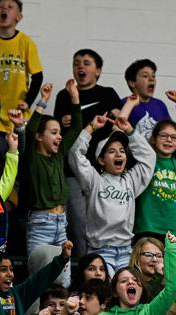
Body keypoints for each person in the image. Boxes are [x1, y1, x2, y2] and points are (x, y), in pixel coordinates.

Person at [68, 111, 156, 275]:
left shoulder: (131, 180)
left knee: (127, 290)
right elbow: (75, 154)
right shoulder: (94, 180)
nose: (119, 154)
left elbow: (149, 157)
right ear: (101, 160)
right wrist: (91, 128)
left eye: (122, 151)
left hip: (126, 251)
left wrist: (130, 132)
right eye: (112, 151)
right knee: (103, 291)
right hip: (100, 251)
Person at [54, 48, 121, 260]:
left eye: (86, 62)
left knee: (103, 220)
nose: (80, 66)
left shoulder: (107, 94)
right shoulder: (64, 95)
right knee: (79, 222)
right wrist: (63, 124)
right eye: (76, 63)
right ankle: (86, 265)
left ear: (98, 71)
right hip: (73, 170)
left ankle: (103, 265)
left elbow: (120, 125)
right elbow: (57, 137)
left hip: (101, 170)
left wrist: (120, 114)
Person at [20, 81, 82, 254]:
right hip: (40, 225)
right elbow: (30, 130)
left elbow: (76, 128)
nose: (60, 137)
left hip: (61, 223)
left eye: (60, 133)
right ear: (39, 137)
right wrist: (43, 100)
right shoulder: (31, 157)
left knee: (63, 277)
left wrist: (75, 97)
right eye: (54, 133)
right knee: (40, 274)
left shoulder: (59, 155)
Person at [134, 86, 176, 239]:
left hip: (172, 234)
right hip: (145, 230)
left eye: (173, 137)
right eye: (163, 136)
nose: (169, 140)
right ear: (153, 139)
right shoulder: (145, 161)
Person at [0, 0, 43, 132]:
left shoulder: (27, 42)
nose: (4, 9)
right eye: (0, 7)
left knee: (18, 150)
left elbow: (38, 76)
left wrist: (28, 102)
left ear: (19, 16)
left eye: (10, 7)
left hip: (19, 114)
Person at [122, 58, 171, 139]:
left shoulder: (160, 104)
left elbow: (170, 130)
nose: (151, 79)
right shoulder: (124, 104)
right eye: (145, 76)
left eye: (153, 76)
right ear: (132, 82)